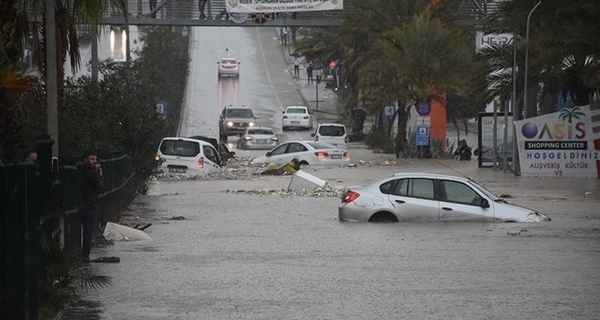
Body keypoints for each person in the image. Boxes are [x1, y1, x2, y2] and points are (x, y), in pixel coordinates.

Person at [81, 151, 104, 262]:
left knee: (85, 230)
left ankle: (83, 254)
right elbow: (99, 188)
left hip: (84, 203)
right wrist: (100, 176)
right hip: (90, 204)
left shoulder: (82, 171)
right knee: (88, 231)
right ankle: (85, 255)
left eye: (95, 159)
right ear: (86, 160)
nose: (94, 161)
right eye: (92, 159)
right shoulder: (93, 173)